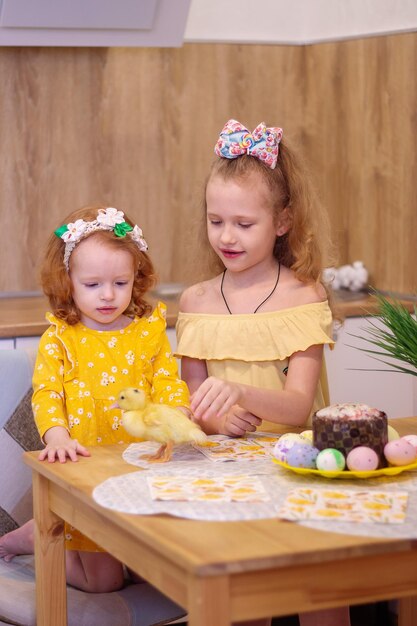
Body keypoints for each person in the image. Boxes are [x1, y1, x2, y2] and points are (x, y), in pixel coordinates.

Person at [175, 120, 350, 626]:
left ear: (282, 221)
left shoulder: (304, 296)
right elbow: (193, 403)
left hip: (302, 473)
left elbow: (299, 406)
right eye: (215, 221)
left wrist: (237, 393)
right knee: (243, 604)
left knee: (319, 599)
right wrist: (214, 421)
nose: (226, 237)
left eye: (243, 224)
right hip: (228, 482)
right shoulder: (196, 301)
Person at [0, 205, 190, 593]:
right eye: (92, 285)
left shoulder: (147, 330)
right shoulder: (60, 338)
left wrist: (177, 411)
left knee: (155, 570)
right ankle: (40, 538)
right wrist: (56, 435)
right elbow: (48, 393)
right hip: (85, 473)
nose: (108, 296)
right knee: (103, 582)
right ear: (66, 280)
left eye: (120, 283)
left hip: (140, 468)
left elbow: (167, 378)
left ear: (136, 278)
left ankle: (49, 530)